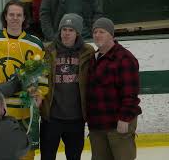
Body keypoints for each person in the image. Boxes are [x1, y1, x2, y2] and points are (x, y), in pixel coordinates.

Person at [0, 0, 46, 160]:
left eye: (19, 15)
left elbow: (44, 74)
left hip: (26, 110)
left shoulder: (35, 44)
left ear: (25, 18)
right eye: (11, 14)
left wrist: (40, 93)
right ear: (5, 16)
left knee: (26, 154)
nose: (15, 18)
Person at [39, 13, 95, 160]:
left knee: (74, 157)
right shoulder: (48, 51)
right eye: (64, 29)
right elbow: (40, 79)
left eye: (71, 30)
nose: (67, 33)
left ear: (77, 32)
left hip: (76, 119)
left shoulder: (87, 52)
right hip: (51, 118)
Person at [86, 17, 142, 160]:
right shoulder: (94, 58)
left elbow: (130, 93)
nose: (97, 35)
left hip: (118, 125)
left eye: (102, 32)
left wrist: (124, 119)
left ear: (112, 35)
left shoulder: (124, 58)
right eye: (95, 32)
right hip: (97, 125)